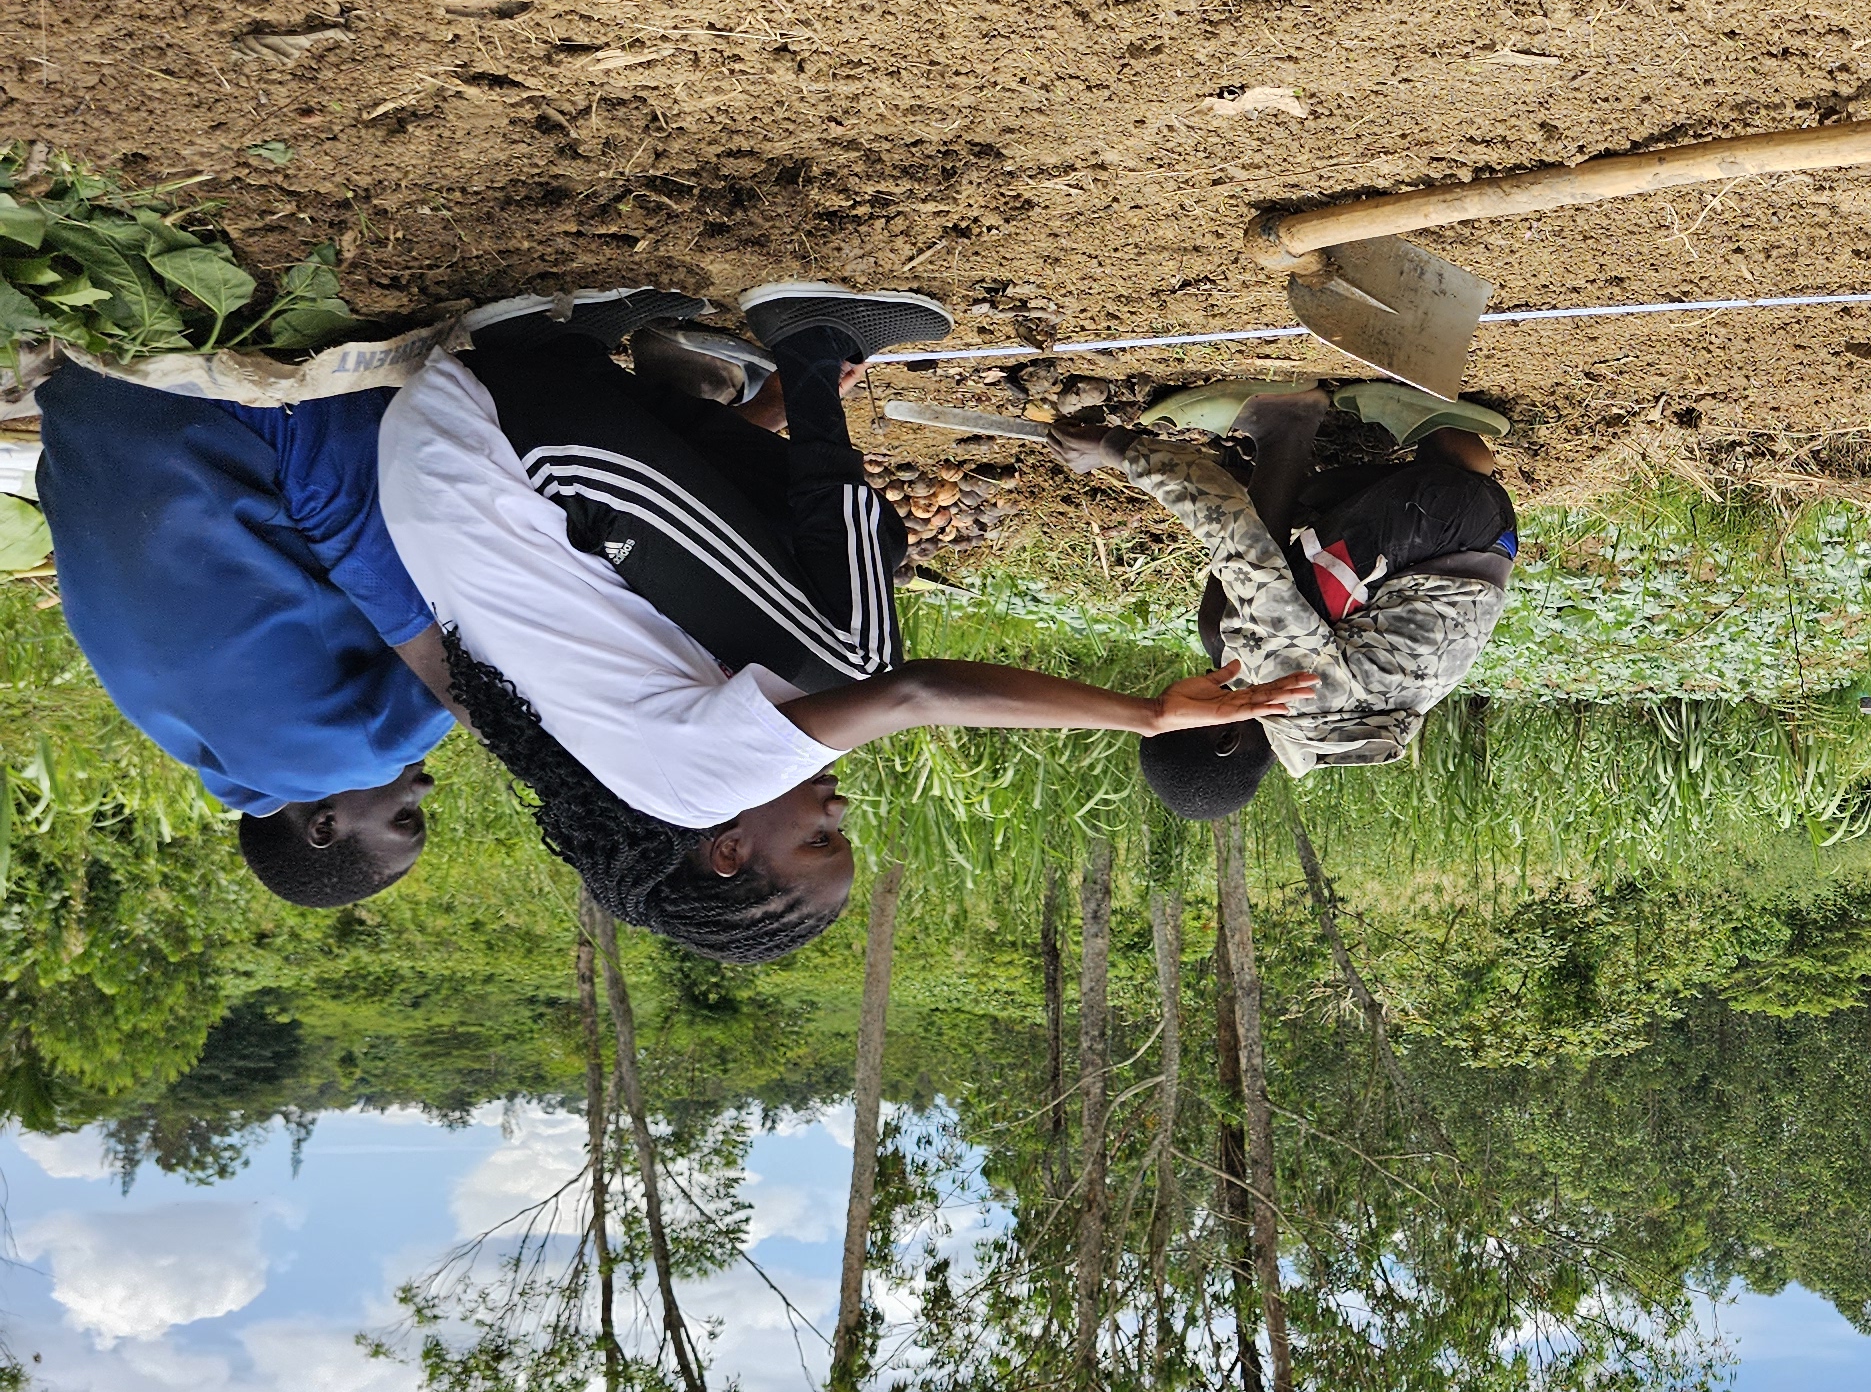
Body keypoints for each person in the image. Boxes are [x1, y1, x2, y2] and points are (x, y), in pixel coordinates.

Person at [381, 283, 1306, 958]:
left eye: (819, 839)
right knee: (854, 582)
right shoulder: (634, 774)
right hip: (450, 444)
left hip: (499, 430)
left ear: (729, 852)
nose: (838, 808)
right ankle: (570, 344)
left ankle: (811, 337)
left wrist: (1146, 715)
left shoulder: (700, 790)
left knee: (849, 655)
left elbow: (912, 691)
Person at [35, 359, 450, 908]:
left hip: (226, 408)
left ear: (324, 826)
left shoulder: (359, 755)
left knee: (450, 618)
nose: (423, 790)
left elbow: (482, 675)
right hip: (85, 401)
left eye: (404, 818)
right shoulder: (188, 739)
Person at [1046, 389, 1520, 817]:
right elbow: (1243, 547)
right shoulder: (1284, 694)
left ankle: (1451, 456)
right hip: (1441, 517)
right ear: (1227, 737)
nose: (1181, 687)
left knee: (1265, 610)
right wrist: (1116, 448)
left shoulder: (1332, 741)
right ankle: (1286, 424)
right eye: (1178, 706)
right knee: (1227, 625)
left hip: (1487, 542)